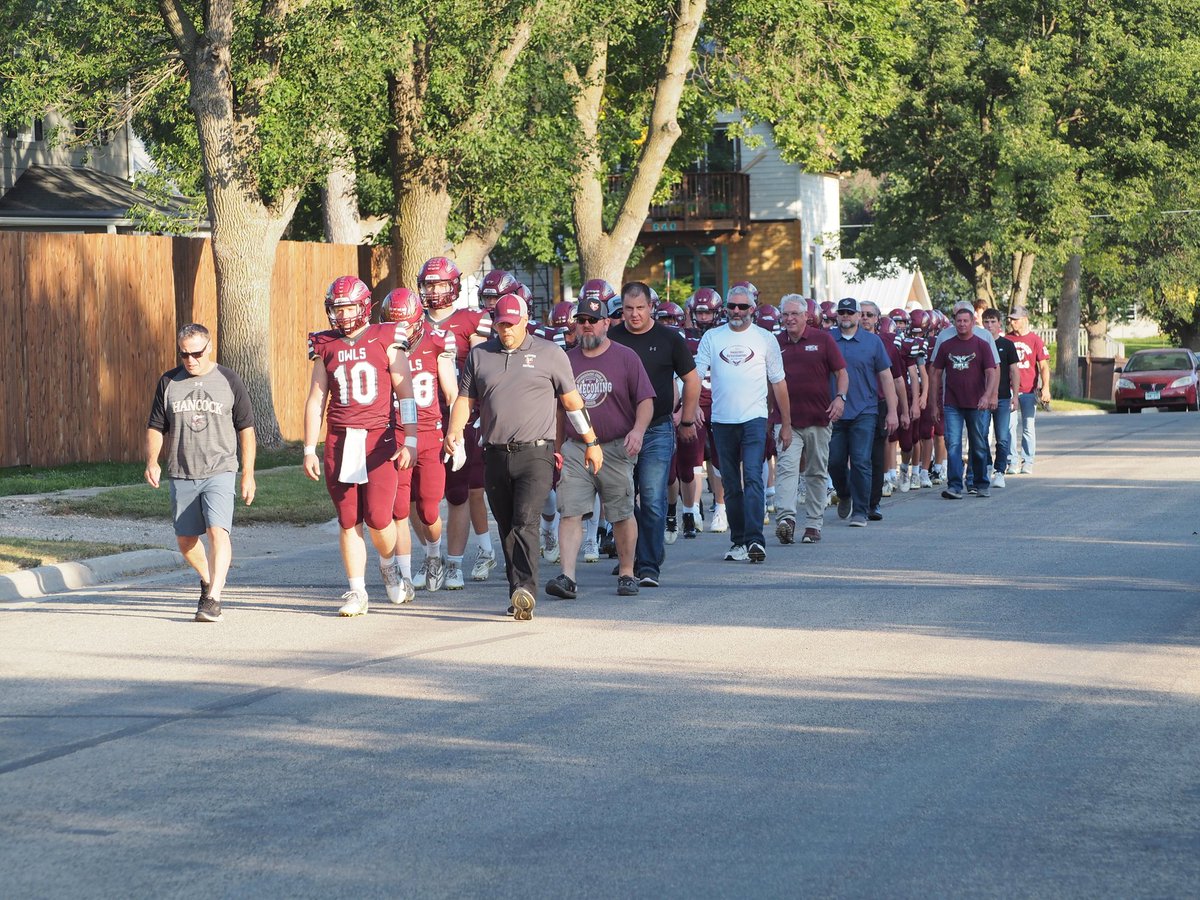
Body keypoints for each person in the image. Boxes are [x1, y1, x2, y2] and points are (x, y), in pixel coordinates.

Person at [445, 293, 602, 621]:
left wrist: (591, 441)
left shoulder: (550, 353)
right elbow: (464, 400)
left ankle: (527, 588)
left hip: (536, 452)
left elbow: (572, 402)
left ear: (525, 320)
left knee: (525, 520)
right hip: (495, 453)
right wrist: (454, 431)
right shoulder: (480, 356)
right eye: (501, 324)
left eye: (513, 324)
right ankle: (516, 591)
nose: (507, 331)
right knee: (506, 525)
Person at [303, 276, 417, 617]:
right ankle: (356, 591)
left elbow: (406, 395)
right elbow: (316, 399)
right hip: (341, 437)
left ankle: (387, 563)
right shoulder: (325, 344)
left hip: (378, 437)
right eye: (337, 308)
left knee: (380, 520)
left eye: (348, 307)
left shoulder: (387, 336)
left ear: (364, 306)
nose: (342, 314)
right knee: (348, 519)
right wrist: (309, 447)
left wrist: (409, 438)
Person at [546, 294, 655, 600]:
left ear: (607, 323)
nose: (587, 326)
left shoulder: (625, 357)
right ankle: (567, 576)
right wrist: (556, 447)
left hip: (616, 447)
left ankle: (627, 573)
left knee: (621, 512)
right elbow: (558, 409)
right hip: (575, 448)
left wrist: (638, 430)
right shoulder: (565, 360)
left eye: (593, 320)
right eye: (581, 321)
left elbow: (645, 400)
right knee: (570, 511)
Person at [145, 324, 256, 623]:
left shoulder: (229, 379)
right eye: (184, 354)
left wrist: (248, 473)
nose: (190, 360)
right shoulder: (169, 381)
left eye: (196, 353)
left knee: (217, 531)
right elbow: (156, 426)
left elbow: (246, 427)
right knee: (185, 540)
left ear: (209, 349)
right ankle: (208, 579)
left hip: (220, 469)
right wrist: (152, 461)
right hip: (182, 471)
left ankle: (214, 598)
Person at [609, 281, 700, 587]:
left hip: (659, 428)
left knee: (651, 497)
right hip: (620, 431)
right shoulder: (611, 337)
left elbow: (692, 380)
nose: (634, 315)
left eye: (640, 308)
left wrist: (686, 419)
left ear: (651, 307)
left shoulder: (669, 338)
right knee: (622, 497)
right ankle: (633, 553)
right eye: (628, 309)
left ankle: (648, 565)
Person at [695, 285, 791, 562]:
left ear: (753, 309)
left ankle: (755, 541)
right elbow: (695, 375)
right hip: (722, 420)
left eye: (742, 307)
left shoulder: (765, 339)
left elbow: (779, 382)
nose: (736, 311)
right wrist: (686, 410)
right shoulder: (712, 338)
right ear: (724, 308)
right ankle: (737, 540)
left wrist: (785, 423)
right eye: (731, 306)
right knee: (730, 484)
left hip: (754, 419)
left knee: (752, 476)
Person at [418, 257, 497, 587]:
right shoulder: (411, 321)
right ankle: (430, 555)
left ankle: (453, 563)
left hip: (461, 415)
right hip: (421, 415)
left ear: (453, 286)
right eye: (429, 284)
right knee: (416, 497)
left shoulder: (471, 320)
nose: (434, 291)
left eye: (440, 284)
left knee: (460, 492)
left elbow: (482, 370)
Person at [381, 288, 458, 597]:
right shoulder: (380, 342)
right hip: (396, 432)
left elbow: (451, 393)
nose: (401, 330)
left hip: (429, 432)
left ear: (418, 320)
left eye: (407, 324)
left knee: (428, 509)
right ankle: (405, 574)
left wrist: (457, 433)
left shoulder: (437, 340)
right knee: (399, 508)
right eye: (394, 323)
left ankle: (434, 554)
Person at [771, 296, 847, 545]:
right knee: (787, 469)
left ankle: (813, 523)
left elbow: (841, 373)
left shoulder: (822, 339)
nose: (789, 319)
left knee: (815, 472)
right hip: (786, 421)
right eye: (785, 314)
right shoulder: (774, 343)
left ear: (806, 316)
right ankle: (786, 520)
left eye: (794, 314)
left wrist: (840, 398)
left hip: (819, 418)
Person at [827, 297, 898, 527]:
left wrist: (892, 411)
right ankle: (845, 493)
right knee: (835, 462)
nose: (846, 316)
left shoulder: (873, 342)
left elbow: (887, 377)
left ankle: (860, 510)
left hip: (865, 411)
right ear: (837, 316)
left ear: (859, 316)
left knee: (861, 461)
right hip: (834, 411)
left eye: (850, 312)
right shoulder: (828, 339)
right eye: (842, 312)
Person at [930, 307, 999, 499]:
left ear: (972, 323)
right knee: (952, 443)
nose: (962, 324)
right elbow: (935, 374)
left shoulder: (981, 343)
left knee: (978, 445)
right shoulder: (946, 345)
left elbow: (992, 371)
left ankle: (980, 483)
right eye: (958, 321)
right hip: (952, 403)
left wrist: (988, 395)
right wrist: (934, 403)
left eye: (965, 321)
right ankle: (954, 485)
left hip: (977, 404)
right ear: (954, 322)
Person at [1005, 305, 1051, 474]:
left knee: (1028, 427)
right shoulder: (1007, 340)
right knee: (1009, 426)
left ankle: (1028, 460)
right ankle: (1012, 460)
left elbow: (1044, 366)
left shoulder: (1035, 340)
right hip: (1009, 390)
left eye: (1016, 319)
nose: (1012, 322)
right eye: (1011, 319)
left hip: (1029, 389)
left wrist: (1045, 387)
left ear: (1025, 319)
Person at [982, 308, 1021, 488]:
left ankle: (999, 470)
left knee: (1002, 437)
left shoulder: (1007, 344)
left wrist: (1015, 396)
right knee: (981, 435)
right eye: (986, 322)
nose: (989, 325)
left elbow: (1014, 370)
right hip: (982, 398)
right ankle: (987, 464)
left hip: (1004, 397)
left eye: (993, 322)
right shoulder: (979, 343)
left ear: (999, 324)